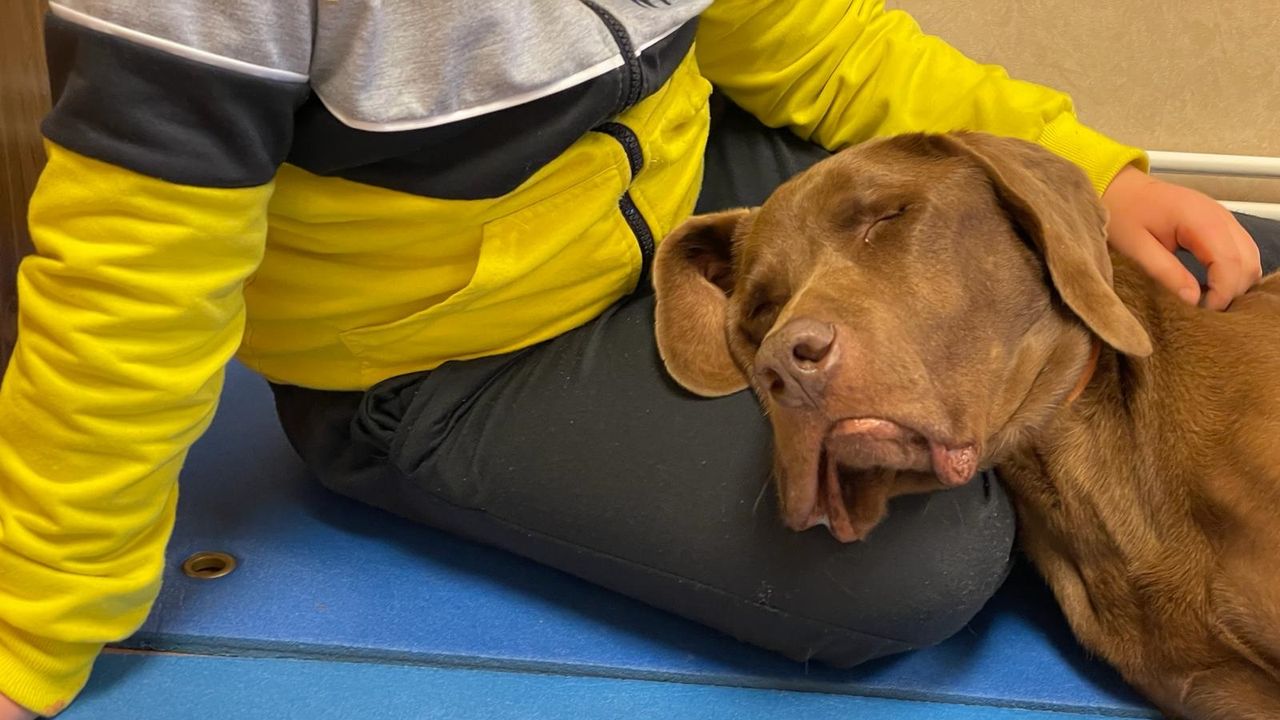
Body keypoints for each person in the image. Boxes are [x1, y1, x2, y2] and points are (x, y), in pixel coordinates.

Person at [2, 1, 1274, 716]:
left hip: (673, 180)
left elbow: (806, 38)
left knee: (1144, 264)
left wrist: (1085, 169)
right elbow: (126, 299)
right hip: (445, 354)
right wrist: (27, 632)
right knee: (910, 569)